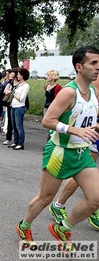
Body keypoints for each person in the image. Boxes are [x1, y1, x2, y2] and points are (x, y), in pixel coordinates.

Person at [15, 46, 99, 253]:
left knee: (96, 199)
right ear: (79, 67)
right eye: (93, 63)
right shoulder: (69, 92)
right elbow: (47, 121)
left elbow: (90, 119)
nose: (98, 67)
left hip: (82, 154)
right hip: (60, 152)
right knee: (45, 198)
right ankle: (23, 226)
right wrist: (74, 130)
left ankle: (62, 228)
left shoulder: (94, 92)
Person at [48, 74, 99, 231]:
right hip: (90, 132)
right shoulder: (94, 81)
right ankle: (59, 205)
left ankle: (93, 203)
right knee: (83, 170)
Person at [8, 68, 30, 150]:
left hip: (19, 107)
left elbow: (21, 98)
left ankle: (21, 143)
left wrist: (13, 94)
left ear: (22, 75)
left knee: (19, 126)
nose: (17, 75)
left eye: (18, 74)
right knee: (14, 125)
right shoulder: (18, 84)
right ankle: (15, 141)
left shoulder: (26, 86)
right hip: (13, 106)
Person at [43, 70, 62, 140]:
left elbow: (58, 99)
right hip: (46, 108)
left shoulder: (58, 87)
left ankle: (50, 142)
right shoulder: (46, 86)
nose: (47, 77)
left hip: (53, 109)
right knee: (47, 127)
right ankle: (48, 142)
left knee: (51, 128)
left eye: (49, 75)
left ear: (53, 77)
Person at [2, 69, 17, 145]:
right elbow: (5, 90)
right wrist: (8, 91)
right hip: (10, 103)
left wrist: (10, 92)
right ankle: (8, 138)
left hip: (17, 104)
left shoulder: (19, 83)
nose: (10, 74)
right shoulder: (10, 82)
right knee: (10, 121)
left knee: (16, 122)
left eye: (12, 73)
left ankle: (17, 140)